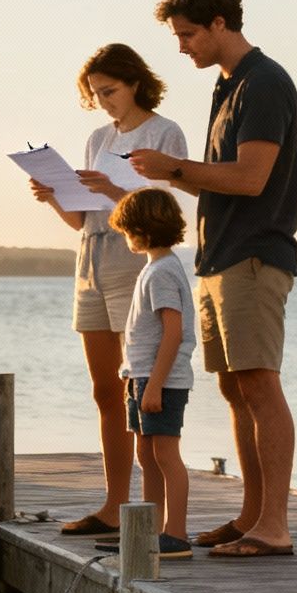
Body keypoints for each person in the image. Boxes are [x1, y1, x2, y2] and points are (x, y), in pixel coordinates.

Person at [127, 0, 297, 558]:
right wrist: (171, 174)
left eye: (188, 35)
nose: (181, 48)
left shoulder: (265, 84)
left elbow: (250, 179)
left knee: (259, 383)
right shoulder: (226, 88)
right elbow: (222, 185)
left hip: (254, 255)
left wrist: (174, 168)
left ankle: (273, 526)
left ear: (221, 24)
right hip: (219, 257)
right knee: (233, 387)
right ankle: (252, 516)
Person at [28, 43, 189, 537]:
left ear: (135, 82)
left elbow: (162, 212)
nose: (103, 101)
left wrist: (112, 192)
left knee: (134, 384)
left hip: (132, 255)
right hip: (90, 256)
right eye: (95, 94)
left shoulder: (164, 132)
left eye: (110, 90)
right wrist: (55, 197)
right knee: (104, 390)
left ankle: (145, 511)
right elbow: (82, 217)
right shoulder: (98, 136)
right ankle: (113, 502)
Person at [100, 187, 197, 559]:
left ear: (142, 230)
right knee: (147, 454)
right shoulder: (155, 268)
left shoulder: (161, 273)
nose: (125, 238)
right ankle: (151, 530)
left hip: (161, 381)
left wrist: (154, 385)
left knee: (167, 454)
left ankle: (177, 533)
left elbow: (173, 332)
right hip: (142, 378)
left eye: (127, 232)